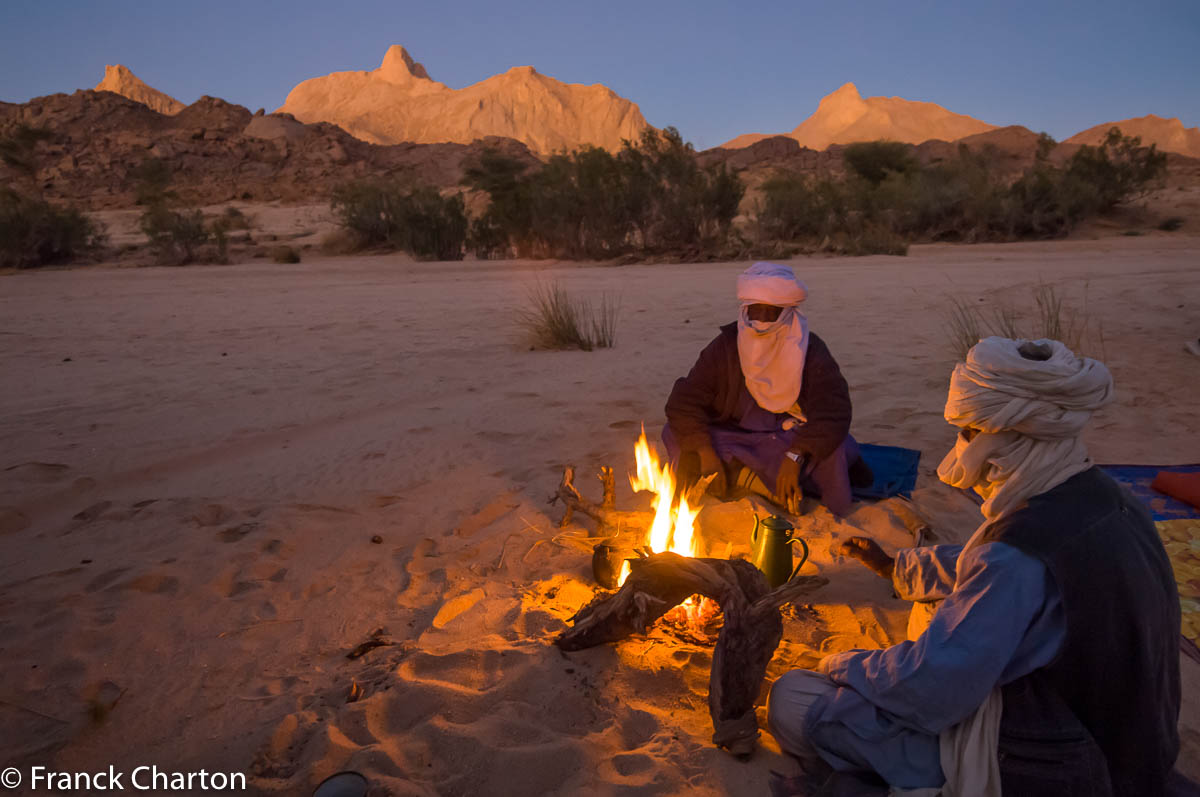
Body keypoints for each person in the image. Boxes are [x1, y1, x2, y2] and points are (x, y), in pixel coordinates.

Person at [765, 336, 1181, 796]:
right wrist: (899, 567)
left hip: (1055, 760)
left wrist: (846, 665)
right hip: (1135, 743)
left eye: (968, 433)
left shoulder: (1015, 555)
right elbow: (987, 568)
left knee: (795, 699)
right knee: (931, 613)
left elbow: (933, 688)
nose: (959, 448)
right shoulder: (1109, 498)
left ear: (1013, 438)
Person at [663, 261, 871, 516]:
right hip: (735, 435)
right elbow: (684, 401)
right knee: (675, 434)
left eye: (770, 312)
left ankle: (746, 477)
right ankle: (751, 479)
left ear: (786, 313)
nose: (760, 320)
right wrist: (705, 451)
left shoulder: (810, 349)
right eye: (754, 311)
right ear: (745, 310)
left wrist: (794, 456)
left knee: (833, 452)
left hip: (788, 438)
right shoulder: (726, 346)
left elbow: (834, 412)